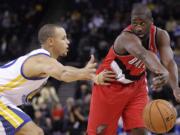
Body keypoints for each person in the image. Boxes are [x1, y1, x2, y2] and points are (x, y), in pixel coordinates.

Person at [0, 24, 115, 135]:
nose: (68, 42)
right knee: (35, 133)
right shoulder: (41, 59)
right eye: (64, 38)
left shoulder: (46, 62)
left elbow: (63, 69)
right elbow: (63, 73)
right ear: (51, 41)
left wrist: (89, 75)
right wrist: (86, 73)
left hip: (5, 99)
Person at [87, 3, 180, 135]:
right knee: (100, 132)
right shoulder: (126, 38)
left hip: (137, 86)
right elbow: (143, 54)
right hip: (109, 85)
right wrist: (161, 70)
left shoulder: (161, 35)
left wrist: (175, 87)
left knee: (140, 129)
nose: (138, 28)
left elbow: (169, 61)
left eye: (142, 23)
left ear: (151, 22)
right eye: (134, 23)